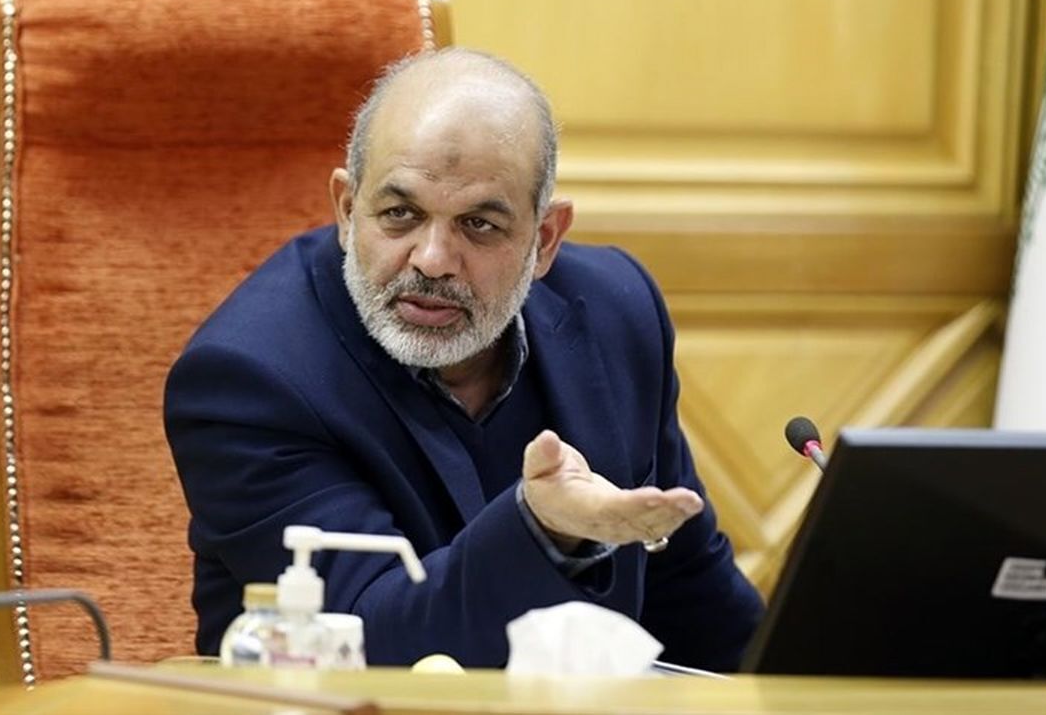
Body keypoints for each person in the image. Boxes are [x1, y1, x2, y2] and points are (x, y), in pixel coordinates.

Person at [164, 48, 764, 671]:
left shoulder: (616, 315)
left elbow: (692, 597)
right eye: (400, 214)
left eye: (478, 224)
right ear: (346, 209)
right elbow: (367, 641)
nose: (432, 260)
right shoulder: (248, 379)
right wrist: (541, 530)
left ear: (544, 240)